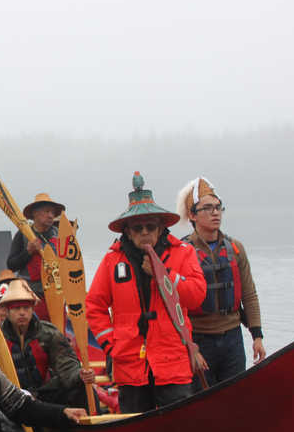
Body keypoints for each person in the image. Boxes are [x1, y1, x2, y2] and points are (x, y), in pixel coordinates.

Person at [86, 173, 207, 413]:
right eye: (137, 227)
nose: (144, 232)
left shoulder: (183, 253)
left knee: (179, 425)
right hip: (130, 364)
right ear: (128, 231)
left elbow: (196, 295)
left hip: (173, 362)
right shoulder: (112, 260)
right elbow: (94, 306)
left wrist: (164, 275)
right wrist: (111, 345)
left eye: (150, 227)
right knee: (135, 427)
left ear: (161, 228)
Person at [176, 177, 265, 385]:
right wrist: (189, 346)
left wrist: (257, 336)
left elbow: (249, 295)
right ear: (192, 215)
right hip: (199, 339)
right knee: (201, 400)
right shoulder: (181, 252)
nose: (215, 213)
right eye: (207, 208)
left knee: (233, 397)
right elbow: (175, 306)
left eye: (218, 207)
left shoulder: (235, 249)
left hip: (232, 339)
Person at [0, 280, 95, 409]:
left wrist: (80, 375)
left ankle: (88, 427)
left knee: (81, 387)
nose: (22, 312)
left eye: (26, 308)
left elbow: (67, 367)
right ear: (8, 311)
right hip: (9, 398)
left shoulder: (48, 333)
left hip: (44, 394)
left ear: (32, 309)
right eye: (16, 308)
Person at [7, 193, 64, 320]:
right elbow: (11, 265)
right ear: (35, 214)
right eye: (47, 211)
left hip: (57, 295)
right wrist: (28, 252)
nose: (51, 216)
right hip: (32, 297)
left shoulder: (59, 235)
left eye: (53, 213)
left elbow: (67, 264)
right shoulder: (22, 234)